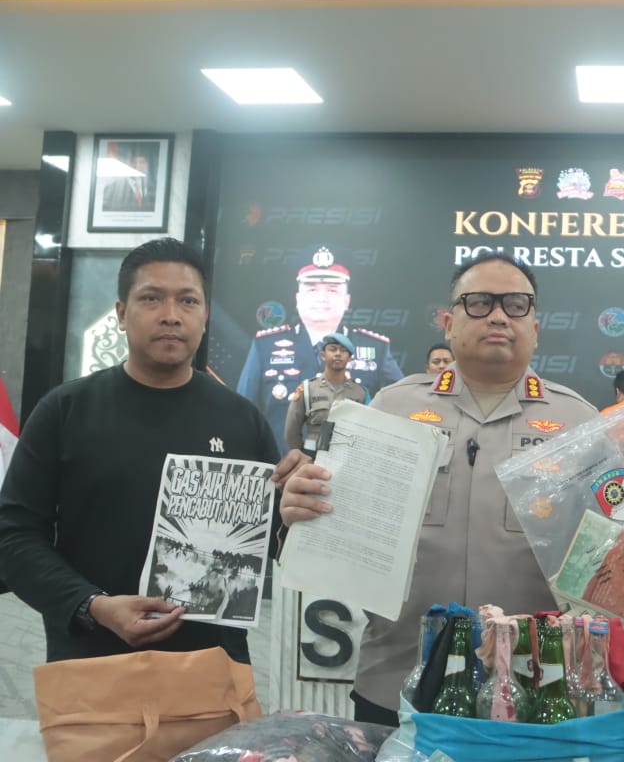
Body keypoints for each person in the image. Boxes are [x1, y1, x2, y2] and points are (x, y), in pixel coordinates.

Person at [279, 250, 624, 725]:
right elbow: (336, 528)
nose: (497, 316)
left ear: (535, 326)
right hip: (398, 680)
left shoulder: (577, 421)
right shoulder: (391, 408)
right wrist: (302, 509)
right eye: (479, 303)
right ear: (448, 323)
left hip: (536, 690)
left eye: (516, 304)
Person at [0, 238, 301, 663]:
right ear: (122, 313)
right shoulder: (65, 411)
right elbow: (13, 536)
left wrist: (295, 511)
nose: (171, 315)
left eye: (188, 301)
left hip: (212, 669)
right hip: (92, 664)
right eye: (151, 298)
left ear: (204, 315)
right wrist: (92, 605)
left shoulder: (242, 420)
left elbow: (272, 543)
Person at [237, 246, 403, 453]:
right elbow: (243, 413)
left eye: (332, 290)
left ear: (347, 300)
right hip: (284, 466)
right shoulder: (265, 346)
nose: (322, 298)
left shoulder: (375, 348)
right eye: (312, 289)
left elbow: (401, 407)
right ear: (298, 298)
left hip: (347, 467)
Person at [283, 332, 369, 454]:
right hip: (312, 456)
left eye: (343, 351)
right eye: (333, 349)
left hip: (345, 456)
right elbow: (292, 431)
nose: (338, 353)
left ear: (350, 358)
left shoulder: (360, 393)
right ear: (323, 355)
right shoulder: (308, 389)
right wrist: (301, 456)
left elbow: (366, 431)